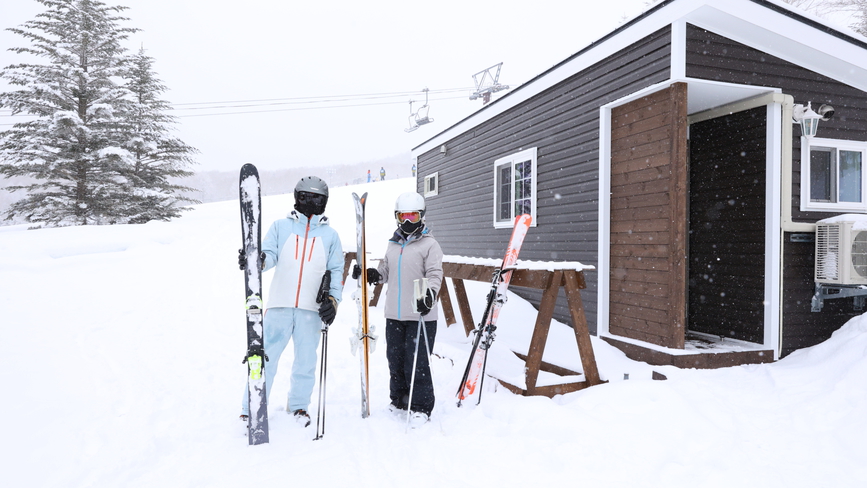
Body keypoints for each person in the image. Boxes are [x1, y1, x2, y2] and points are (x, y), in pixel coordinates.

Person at [238, 176, 344, 427]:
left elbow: (336, 270)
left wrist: (333, 300)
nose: (310, 203)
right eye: (305, 197)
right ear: (297, 198)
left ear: (324, 202)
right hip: (279, 306)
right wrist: (256, 260)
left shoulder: (330, 235)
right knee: (265, 357)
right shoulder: (280, 227)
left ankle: (298, 407)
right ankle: (250, 406)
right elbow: (270, 255)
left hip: (311, 309)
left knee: (306, 361)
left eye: (316, 199)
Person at [354, 192, 442, 427]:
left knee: (418, 362)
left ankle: (421, 406)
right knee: (396, 359)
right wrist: (374, 274)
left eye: (413, 216)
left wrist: (430, 294)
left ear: (421, 216)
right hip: (394, 314)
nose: (407, 222)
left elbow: (435, 275)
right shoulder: (393, 243)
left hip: (420, 314)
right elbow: (386, 270)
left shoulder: (430, 244)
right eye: (403, 216)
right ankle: (400, 400)